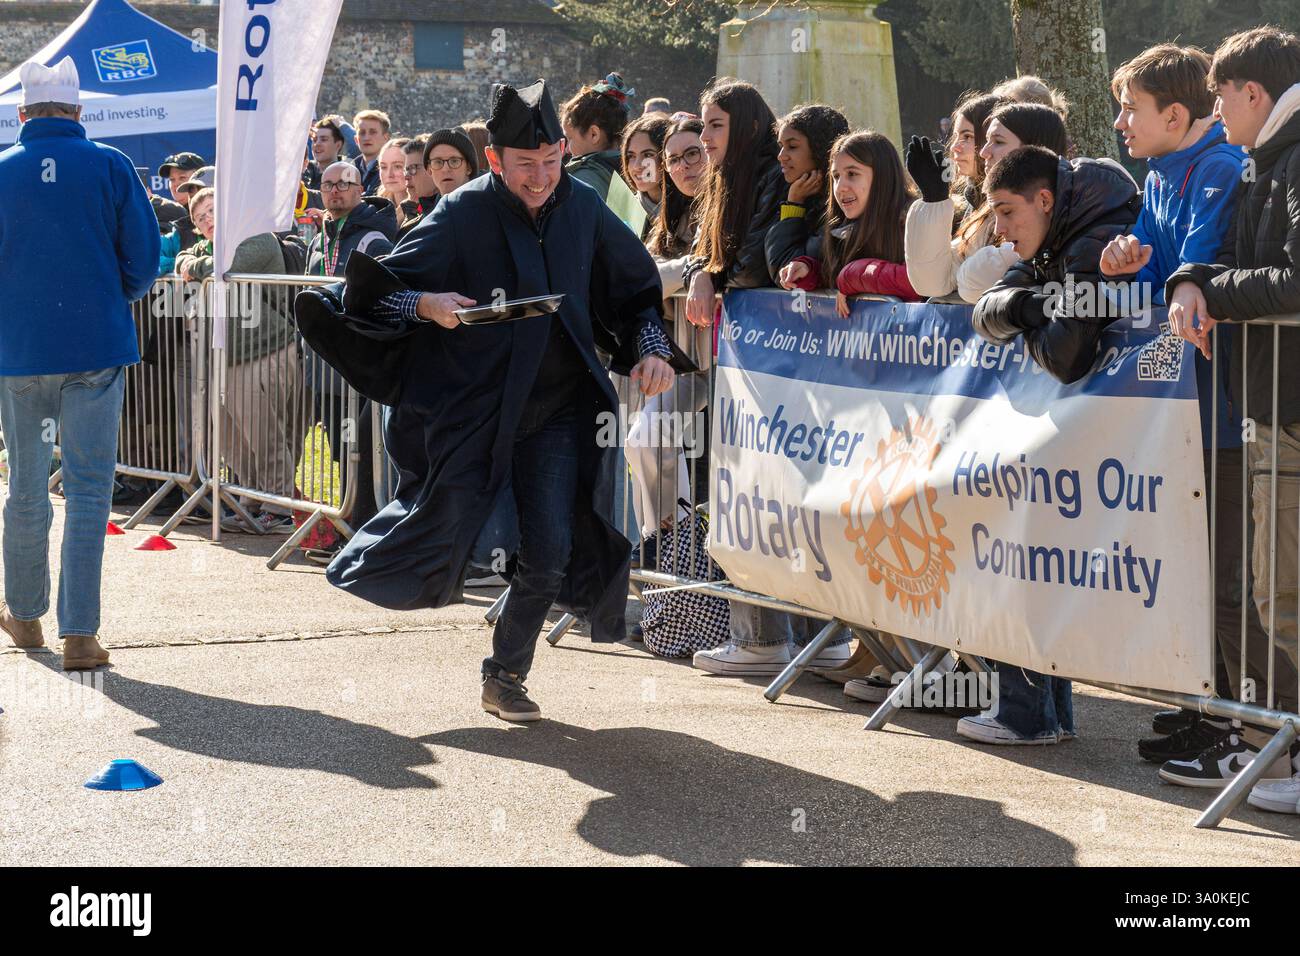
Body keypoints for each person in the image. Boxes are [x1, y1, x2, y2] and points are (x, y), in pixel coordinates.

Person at [295, 78, 688, 722]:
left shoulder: (584, 207)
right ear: (497, 161)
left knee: (555, 546)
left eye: (550, 162)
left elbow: (636, 291)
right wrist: (427, 304)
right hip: (478, 408)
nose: (539, 179)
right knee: (448, 521)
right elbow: (371, 294)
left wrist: (650, 348)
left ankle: (505, 673)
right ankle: (383, 562)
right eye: (524, 165)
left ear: (564, 150)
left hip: (560, 411)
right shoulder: (462, 214)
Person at [1092, 42, 1283, 783]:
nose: (1119, 123)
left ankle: (1247, 725)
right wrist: (1125, 254)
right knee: (1200, 575)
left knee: (1234, 579)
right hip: (1186, 413)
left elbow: (1197, 265)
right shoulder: (1161, 171)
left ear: (1176, 114)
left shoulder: (1219, 167)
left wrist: (1171, 274)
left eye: (1130, 110)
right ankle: (1212, 710)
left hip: (1231, 410)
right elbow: (1159, 253)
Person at [1161, 27, 1300, 809]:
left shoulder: (1293, 155)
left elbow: (1294, 277)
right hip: (1271, 407)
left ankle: (1286, 747)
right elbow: (1236, 258)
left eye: (1219, 97)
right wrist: (1189, 279)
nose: (1215, 112)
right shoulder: (1266, 157)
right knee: (1273, 590)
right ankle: (1277, 746)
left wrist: (1211, 293)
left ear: (1252, 93)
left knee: (1281, 596)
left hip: (1288, 408)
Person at [964, 146, 1139, 745]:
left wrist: (1027, 312)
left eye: (1008, 213)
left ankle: (1029, 713)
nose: (1000, 230)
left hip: (1108, 449)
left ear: (1044, 200)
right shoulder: (1053, 237)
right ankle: (1043, 714)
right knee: (1030, 561)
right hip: (1072, 445)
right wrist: (1031, 304)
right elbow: (984, 313)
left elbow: (1066, 357)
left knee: (1031, 559)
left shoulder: (1090, 242)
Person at [682, 79, 852, 675]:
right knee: (766, 497)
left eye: (715, 127)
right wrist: (707, 269)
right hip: (770, 368)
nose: (704, 140)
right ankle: (796, 636)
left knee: (774, 494)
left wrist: (716, 274)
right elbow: (740, 257)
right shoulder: (743, 179)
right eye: (702, 126)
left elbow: (758, 265)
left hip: (788, 368)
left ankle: (781, 637)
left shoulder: (775, 180)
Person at [0, 57, 159, 669]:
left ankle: (24, 613)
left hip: (20, 354)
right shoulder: (111, 165)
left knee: (26, 486)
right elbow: (143, 260)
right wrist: (103, 296)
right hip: (93, 348)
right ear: (78, 113)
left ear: (22, 115)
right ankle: (81, 634)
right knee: (91, 491)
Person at [174, 187, 302, 534]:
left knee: (265, 436)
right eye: (200, 218)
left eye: (213, 210)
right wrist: (190, 262)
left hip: (265, 350)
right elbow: (183, 258)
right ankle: (251, 500)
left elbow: (227, 268)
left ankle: (278, 507)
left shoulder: (255, 237)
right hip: (227, 358)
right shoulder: (210, 246)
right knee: (233, 439)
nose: (208, 219)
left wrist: (194, 265)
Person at [776, 130, 920, 307]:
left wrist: (851, 276)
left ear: (883, 177)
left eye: (852, 174)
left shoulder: (917, 220)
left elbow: (918, 282)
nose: (840, 187)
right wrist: (807, 271)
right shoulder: (839, 229)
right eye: (836, 177)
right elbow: (829, 273)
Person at [903, 92, 1003, 301]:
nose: (955, 147)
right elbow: (933, 283)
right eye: (955, 136)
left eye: (967, 137)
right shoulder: (972, 205)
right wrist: (933, 201)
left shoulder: (1016, 205)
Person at [764, 104, 851, 280]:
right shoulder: (792, 191)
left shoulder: (844, 204)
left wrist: (794, 204)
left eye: (792, 146)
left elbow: (788, 272)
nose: (781, 155)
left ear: (821, 149)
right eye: (781, 146)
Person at [562, 73, 646, 232]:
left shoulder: (580, 180)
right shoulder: (637, 172)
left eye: (570, 139)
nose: (567, 149)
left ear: (594, 134)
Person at [646, 115, 705, 296]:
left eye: (692, 153)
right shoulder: (672, 218)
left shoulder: (731, 206)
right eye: (673, 160)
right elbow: (642, 274)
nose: (683, 165)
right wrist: (691, 267)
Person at [620, 112, 673, 239]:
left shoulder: (689, 210)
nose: (637, 166)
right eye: (631, 156)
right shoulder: (623, 209)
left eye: (648, 155)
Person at [351, 109, 391, 195]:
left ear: (386, 137)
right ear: (356, 140)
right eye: (362, 133)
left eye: (373, 132)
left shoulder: (392, 170)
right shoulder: (348, 169)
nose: (366, 138)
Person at [377, 137, 411, 213]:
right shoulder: (375, 207)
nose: (389, 174)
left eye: (397, 166)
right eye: (383, 167)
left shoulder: (425, 208)